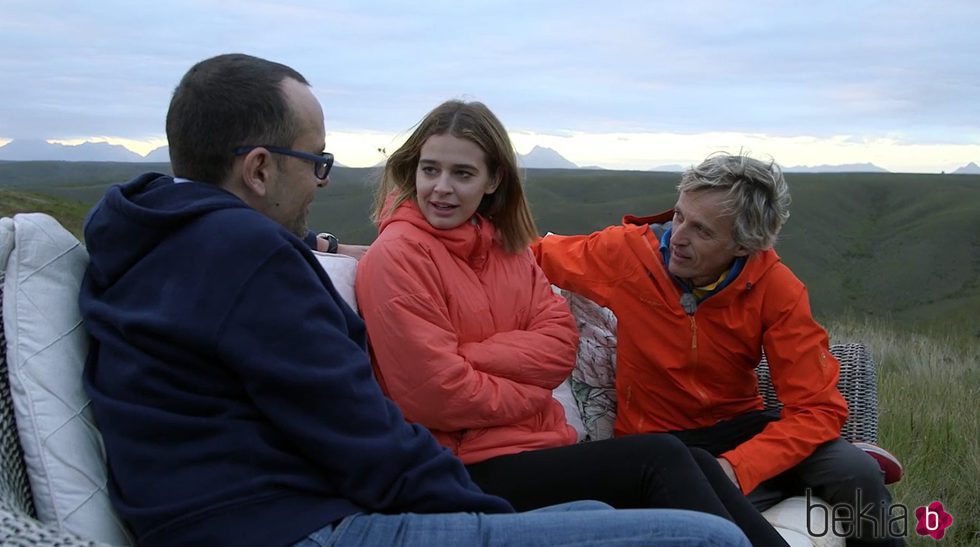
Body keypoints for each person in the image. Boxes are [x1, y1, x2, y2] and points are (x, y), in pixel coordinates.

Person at [78, 53, 751, 547]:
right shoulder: (244, 257)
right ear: (258, 168)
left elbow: (552, 338)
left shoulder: (146, 237)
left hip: (254, 512)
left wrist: (323, 243)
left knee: (605, 518)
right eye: (316, 161)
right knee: (703, 539)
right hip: (294, 525)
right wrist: (485, 514)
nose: (320, 179)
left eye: (463, 173)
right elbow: (370, 435)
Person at [355, 100, 789, 546]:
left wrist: (470, 359)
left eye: (462, 174)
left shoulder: (509, 251)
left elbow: (560, 347)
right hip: (458, 468)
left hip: (537, 449)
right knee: (658, 459)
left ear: (493, 180)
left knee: (688, 456)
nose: (441, 188)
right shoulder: (398, 257)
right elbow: (434, 397)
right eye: (430, 170)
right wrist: (527, 389)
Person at [533, 152, 901, 546]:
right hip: (659, 443)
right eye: (679, 216)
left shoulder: (776, 288)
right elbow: (530, 255)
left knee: (857, 475)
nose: (678, 237)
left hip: (743, 429)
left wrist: (738, 466)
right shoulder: (626, 254)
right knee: (700, 515)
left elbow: (817, 407)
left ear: (744, 246)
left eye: (703, 231)